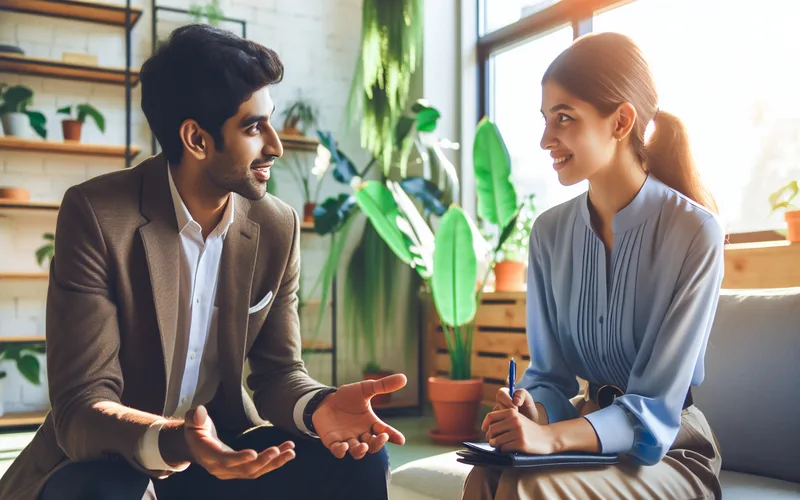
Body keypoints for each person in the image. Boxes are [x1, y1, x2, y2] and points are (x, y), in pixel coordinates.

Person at [0, 24, 407, 500]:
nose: (275, 145)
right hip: (116, 457)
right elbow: (83, 405)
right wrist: (176, 440)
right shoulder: (97, 215)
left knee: (359, 458)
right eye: (254, 127)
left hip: (226, 452)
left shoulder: (276, 225)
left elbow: (278, 373)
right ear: (195, 138)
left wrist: (320, 406)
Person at [463, 32, 725, 500]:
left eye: (564, 118)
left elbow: (655, 408)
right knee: (483, 475)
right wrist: (531, 411)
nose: (546, 139)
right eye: (545, 120)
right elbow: (548, 375)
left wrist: (550, 438)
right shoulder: (547, 233)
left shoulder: (694, 232)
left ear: (621, 121)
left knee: (533, 488)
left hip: (672, 451)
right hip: (585, 434)